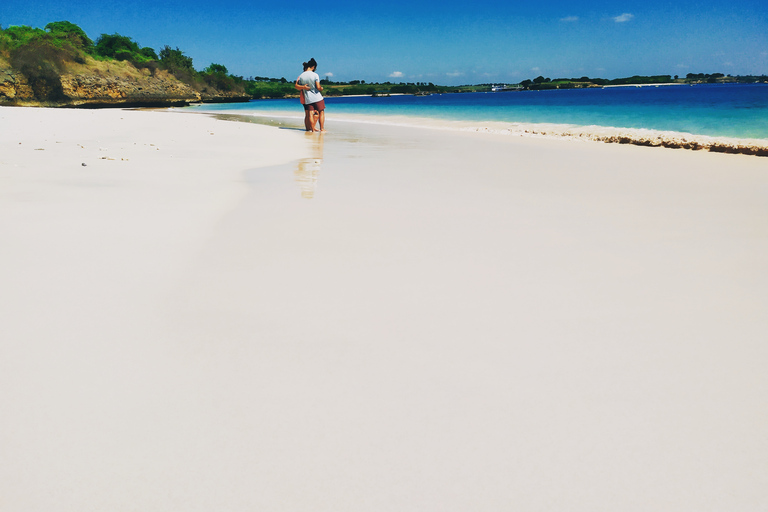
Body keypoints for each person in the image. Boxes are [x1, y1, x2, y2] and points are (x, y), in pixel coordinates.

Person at [295, 58, 325, 132]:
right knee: (321, 112)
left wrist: (303, 87)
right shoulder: (315, 75)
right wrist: (321, 88)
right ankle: (322, 128)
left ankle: (312, 130)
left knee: (310, 114)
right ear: (313, 66)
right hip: (317, 97)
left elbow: (296, 86)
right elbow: (318, 87)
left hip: (307, 98)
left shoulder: (301, 76)